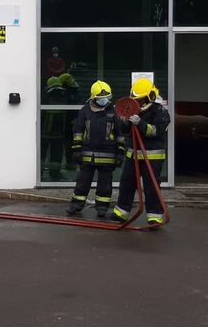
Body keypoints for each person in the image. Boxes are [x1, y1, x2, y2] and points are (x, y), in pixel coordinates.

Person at [112, 78, 171, 227]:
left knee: (151, 186)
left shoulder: (160, 111)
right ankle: (121, 212)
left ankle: (154, 216)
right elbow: (125, 132)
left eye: (142, 99)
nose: (139, 102)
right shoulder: (132, 109)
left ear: (150, 96)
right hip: (133, 155)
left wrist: (141, 123)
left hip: (152, 156)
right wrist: (124, 122)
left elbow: (156, 131)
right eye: (136, 99)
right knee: (126, 183)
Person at [65, 80, 124, 218]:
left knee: (105, 184)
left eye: (107, 98)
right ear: (93, 97)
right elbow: (78, 130)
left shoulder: (113, 111)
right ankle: (76, 205)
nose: (105, 100)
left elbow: (121, 134)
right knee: (82, 182)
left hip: (108, 155)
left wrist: (120, 152)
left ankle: (102, 207)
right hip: (87, 155)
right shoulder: (85, 111)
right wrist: (77, 149)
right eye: (101, 98)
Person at [41, 76, 68, 179]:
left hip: (45, 129)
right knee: (57, 153)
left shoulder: (46, 94)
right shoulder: (65, 93)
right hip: (60, 129)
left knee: (42, 153)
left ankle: (40, 173)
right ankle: (55, 173)